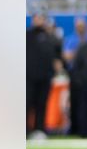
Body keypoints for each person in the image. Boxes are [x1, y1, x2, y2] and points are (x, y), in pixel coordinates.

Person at [26, 14, 62, 142]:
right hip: (28, 77)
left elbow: (57, 56)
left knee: (41, 104)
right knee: (27, 104)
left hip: (45, 77)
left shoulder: (50, 37)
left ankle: (39, 129)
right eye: (36, 18)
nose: (39, 21)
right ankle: (25, 130)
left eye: (41, 18)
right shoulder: (27, 35)